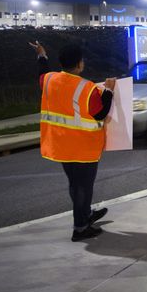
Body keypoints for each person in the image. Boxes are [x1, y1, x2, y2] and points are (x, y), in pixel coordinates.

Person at [30, 41, 116, 241]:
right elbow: (100, 113)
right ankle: (80, 228)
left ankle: (85, 215)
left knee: (75, 184)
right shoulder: (86, 88)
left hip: (61, 146)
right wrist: (109, 91)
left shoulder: (49, 80)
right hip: (84, 150)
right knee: (83, 187)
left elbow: (41, 71)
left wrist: (41, 55)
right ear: (79, 64)